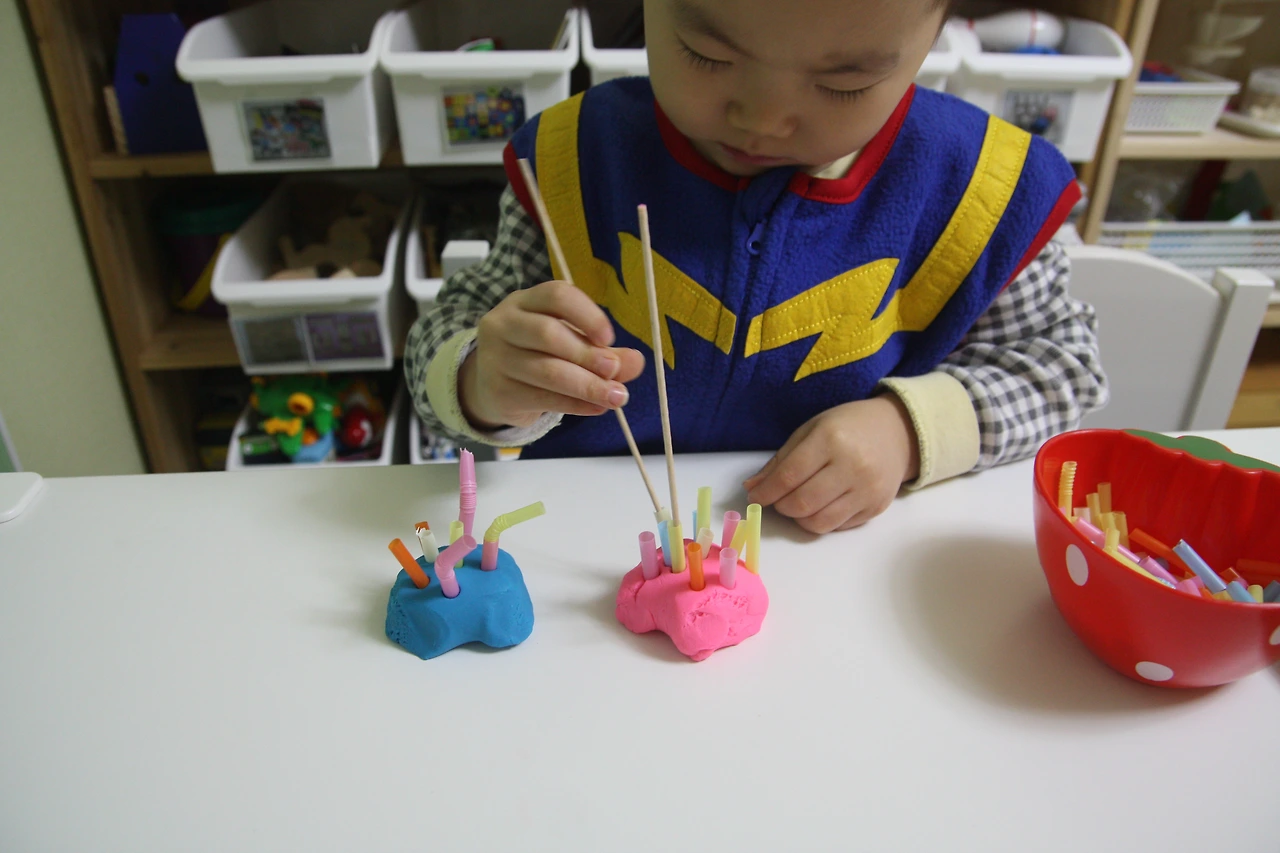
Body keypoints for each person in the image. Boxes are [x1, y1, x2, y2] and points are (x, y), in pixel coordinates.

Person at [406, 0, 1107, 534]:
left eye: (844, 83)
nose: (763, 119)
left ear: (938, 33)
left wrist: (908, 430)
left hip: (842, 574)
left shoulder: (982, 193)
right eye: (707, 54)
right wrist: (483, 380)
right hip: (589, 552)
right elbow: (439, 347)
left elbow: (1064, 368)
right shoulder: (574, 161)